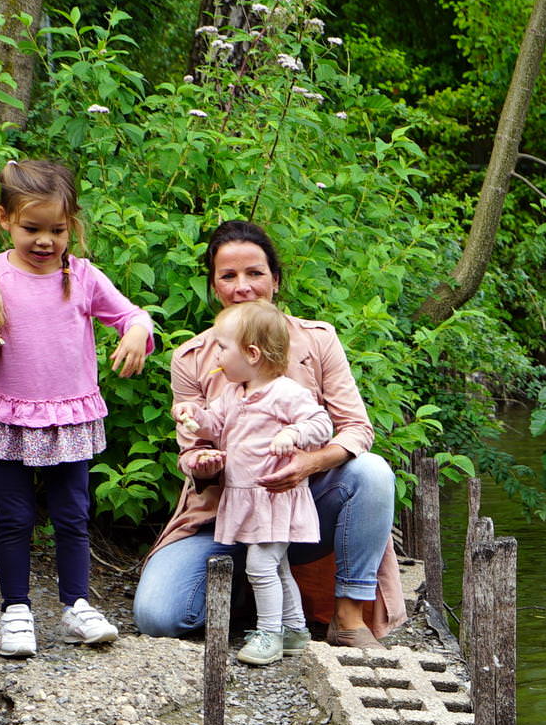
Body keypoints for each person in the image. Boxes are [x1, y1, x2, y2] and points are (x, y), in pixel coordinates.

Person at [131, 221, 404, 647]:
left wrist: (307, 463)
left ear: (275, 280)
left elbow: (355, 429)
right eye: (228, 276)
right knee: (159, 617)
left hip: (297, 512)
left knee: (371, 472)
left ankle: (348, 617)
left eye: (254, 273)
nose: (243, 286)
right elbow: (194, 447)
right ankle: (248, 594)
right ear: (214, 286)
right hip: (223, 516)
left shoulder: (317, 340)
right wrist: (203, 461)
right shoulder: (193, 357)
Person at [0, 159, 154, 659]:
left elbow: (132, 314)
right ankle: (15, 609)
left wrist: (134, 332)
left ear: (72, 226)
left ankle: (76, 606)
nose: (45, 241)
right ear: (4, 219)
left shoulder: (82, 276)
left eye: (57, 230)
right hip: (11, 416)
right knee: (15, 517)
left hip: (69, 418)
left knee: (72, 514)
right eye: (31, 228)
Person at [177, 301, 339, 666]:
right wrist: (191, 417)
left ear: (252, 353)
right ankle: (295, 629)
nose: (215, 353)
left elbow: (322, 425)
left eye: (221, 346)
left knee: (260, 566)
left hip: (273, 497)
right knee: (277, 567)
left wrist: (294, 433)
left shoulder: (287, 393)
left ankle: (269, 633)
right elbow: (212, 426)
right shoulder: (233, 393)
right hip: (246, 498)